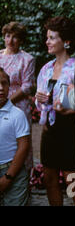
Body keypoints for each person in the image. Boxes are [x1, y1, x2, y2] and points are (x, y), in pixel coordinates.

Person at [35, 16, 75, 206]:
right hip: (49, 130)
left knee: (72, 179)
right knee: (49, 178)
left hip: (70, 130)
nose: (47, 41)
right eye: (47, 37)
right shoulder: (46, 69)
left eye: (51, 38)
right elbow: (38, 103)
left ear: (66, 41)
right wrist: (39, 100)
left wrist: (71, 111)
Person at [0, 22, 35, 172]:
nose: (11, 40)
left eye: (15, 37)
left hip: (18, 105)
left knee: (19, 141)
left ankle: (21, 177)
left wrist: (7, 101)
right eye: (8, 36)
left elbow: (27, 86)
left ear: (21, 40)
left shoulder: (27, 59)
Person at [0, 68, 31, 206]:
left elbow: (23, 147)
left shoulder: (16, 114)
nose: (1, 88)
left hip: (12, 171)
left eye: (4, 83)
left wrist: (8, 177)